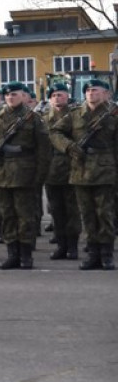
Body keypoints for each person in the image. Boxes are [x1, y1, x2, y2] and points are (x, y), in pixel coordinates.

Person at [0, 82, 50, 270]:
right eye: (7, 95)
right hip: (0, 173)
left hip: (25, 173)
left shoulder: (33, 118)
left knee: (24, 216)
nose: (10, 97)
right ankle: (12, 254)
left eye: (14, 94)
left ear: (23, 96)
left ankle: (25, 255)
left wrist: (39, 176)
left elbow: (44, 150)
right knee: (6, 215)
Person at [49, 78, 117, 270]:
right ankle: (93, 253)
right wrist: (69, 147)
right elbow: (55, 132)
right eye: (87, 91)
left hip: (105, 170)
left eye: (95, 90)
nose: (91, 93)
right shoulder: (75, 114)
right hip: (81, 170)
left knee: (104, 214)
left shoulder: (113, 115)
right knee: (87, 215)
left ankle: (106, 254)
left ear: (105, 93)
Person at [43, 83, 81, 261]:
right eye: (54, 95)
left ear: (67, 96)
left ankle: (73, 247)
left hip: (73, 168)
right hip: (51, 170)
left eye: (61, 94)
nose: (58, 98)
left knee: (72, 211)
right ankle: (61, 245)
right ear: (50, 99)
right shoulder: (42, 119)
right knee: (56, 211)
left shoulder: (76, 116)